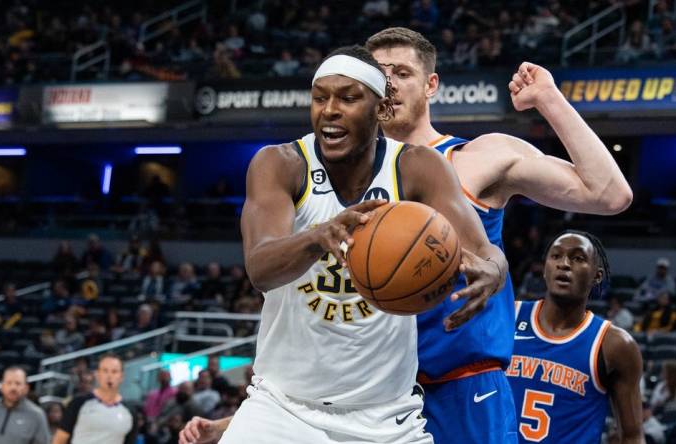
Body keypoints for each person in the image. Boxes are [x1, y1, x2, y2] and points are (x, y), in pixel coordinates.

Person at [187, 45, 506, 444]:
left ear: (380, 108)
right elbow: (260, 269)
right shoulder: (282, 164)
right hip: (282, 409)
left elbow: (485, 250)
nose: (330, 110)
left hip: (387, 416)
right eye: (320, 98)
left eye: (348, 98)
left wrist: (491, 272)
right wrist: (317, 236)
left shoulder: (417, 168)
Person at [364, 27, 632, 444]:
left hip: (462, 389)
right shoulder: (341, 179)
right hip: (369, 389)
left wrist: (548, 100)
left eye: (402, 72)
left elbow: (610, 193)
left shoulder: (477, 157)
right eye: (379, 73)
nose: (389, 84)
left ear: (431, 84)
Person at [506, 231, 643, 443]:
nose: (564, 264)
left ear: (597, 276)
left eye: (578, 258)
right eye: (556, 256)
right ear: (545, 269)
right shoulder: (507, 317)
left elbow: (633, 437)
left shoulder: (614, 345)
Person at [53, 354, 137, 444]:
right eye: (105, 371)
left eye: (114, 371)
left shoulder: (130, 412)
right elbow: (60, 439)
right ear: (97, 374)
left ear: (121, 376)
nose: (109, 376)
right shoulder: (78, 403)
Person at [0, 367, 51, 444]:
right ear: (2, 386)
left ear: (26, 388)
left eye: (18, 383)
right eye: (9, 383)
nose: (13, 387)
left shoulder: (37, 415)